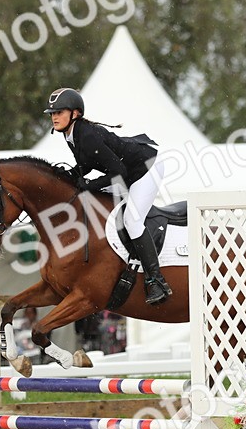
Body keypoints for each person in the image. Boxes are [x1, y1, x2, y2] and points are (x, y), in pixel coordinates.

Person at [44, 86, 173, 305]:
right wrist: (69, 175)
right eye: (53, 113)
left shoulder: (86, 135)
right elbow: (87, 164)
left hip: (146, 168)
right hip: (128, 171)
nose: (55, 117)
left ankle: (155, 280)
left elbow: (119, 173)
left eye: (59, 112)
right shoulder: (71, 134)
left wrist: (90, 184)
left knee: (132, 221)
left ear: (75, 113)